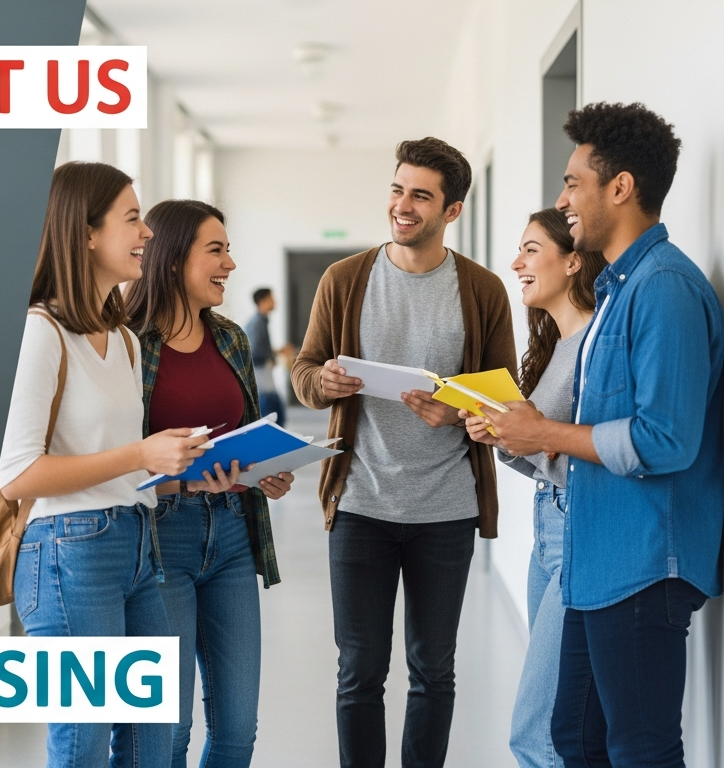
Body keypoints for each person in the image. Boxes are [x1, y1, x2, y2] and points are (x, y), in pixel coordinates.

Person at [480, 102, 724, 767]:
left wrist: (546, 431)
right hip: (597, 562)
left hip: (644, 564)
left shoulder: (665, 286)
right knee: (574, 740)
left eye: (572, 183)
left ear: (620, 188)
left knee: (640, 749)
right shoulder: (619, 291)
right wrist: (533, 435)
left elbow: (665, 439)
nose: (563, 201)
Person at [290, 137, 516, 768]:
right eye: (398, 189)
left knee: (432, 667)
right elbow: (305, 371)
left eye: (421, 195)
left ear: (452, 210)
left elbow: (505, 402)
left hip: (446, 509)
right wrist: (322, 384)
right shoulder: (346, 279)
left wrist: (462, 410)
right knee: (359, 669)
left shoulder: (482, 290)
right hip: (360, 501)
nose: (403, 205)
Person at [0, 161, 211, 768]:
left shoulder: (122, 338)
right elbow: (17, 475)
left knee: (152, 739)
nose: (147, 234)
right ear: (87, 233)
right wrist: (143, 452)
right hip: (69, 551)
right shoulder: (40, 331)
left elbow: (124, 466)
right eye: (133, 218)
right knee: (83, 741)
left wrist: (192, 468)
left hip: (139, 542)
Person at [124, 198, 294, 768]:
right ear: (173, 260)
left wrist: (264, 471)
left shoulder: (230, 339)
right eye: (216, 250)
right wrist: (183, 483)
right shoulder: (127, 343)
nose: (231, 264)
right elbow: (114, 460)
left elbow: (243, 431)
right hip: (158, 542)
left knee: (236, 729)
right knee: (166, 732)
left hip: (231, 536)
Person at [458, 209, 604, 768]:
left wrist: (536, 437)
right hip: (548, 529)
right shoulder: (554, 346)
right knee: (558, 721)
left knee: (536, 730)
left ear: (572, 262)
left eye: (530, 249)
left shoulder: (597, 342)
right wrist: (499, 434)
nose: (516, 263)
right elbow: (546, 455)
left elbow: (602, 456)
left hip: (578, 530)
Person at [243, 288, 293, 426]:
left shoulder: (261, 321)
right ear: (262, 301)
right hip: (261, 374)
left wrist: (277, 352)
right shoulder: (258, 322)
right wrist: (272, 357)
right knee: (272, 412)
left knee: (275, 411)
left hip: (263, 374)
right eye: (271, 298)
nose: (275, 301)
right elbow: (255, 351)